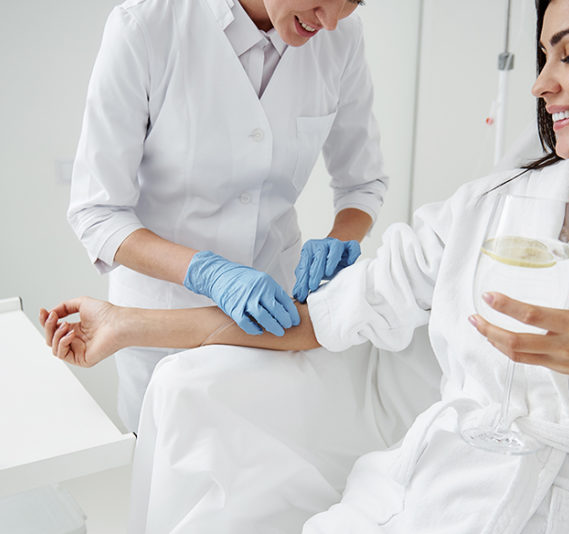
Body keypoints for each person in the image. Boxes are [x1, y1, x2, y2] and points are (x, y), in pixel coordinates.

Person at [44, 0, 569, 532]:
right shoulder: (498, 204)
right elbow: (327, 315)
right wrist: (130, 321)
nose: (541, 84)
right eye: (542, 56)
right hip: (419, 489)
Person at [65, 0, 389, 432]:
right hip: (160, 322)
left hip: (272, 316)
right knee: (170, 478)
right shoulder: (145, 27)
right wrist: (208, 272)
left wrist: (342, 237)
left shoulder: (340, 40)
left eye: (351, 3)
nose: (329, 21)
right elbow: (97, 212)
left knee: (269, 467)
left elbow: (362, 183)